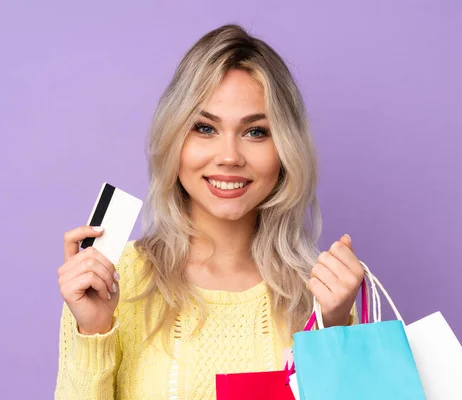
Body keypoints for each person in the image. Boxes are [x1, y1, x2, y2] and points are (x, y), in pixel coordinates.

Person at [54, 23, 364, 400]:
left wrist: (334, 331)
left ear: (285, 149)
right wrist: (93, 331)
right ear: (174, 139)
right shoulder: (116, 280)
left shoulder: (321, 294)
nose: (230, 156)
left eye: (255, 132)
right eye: (205, 128)